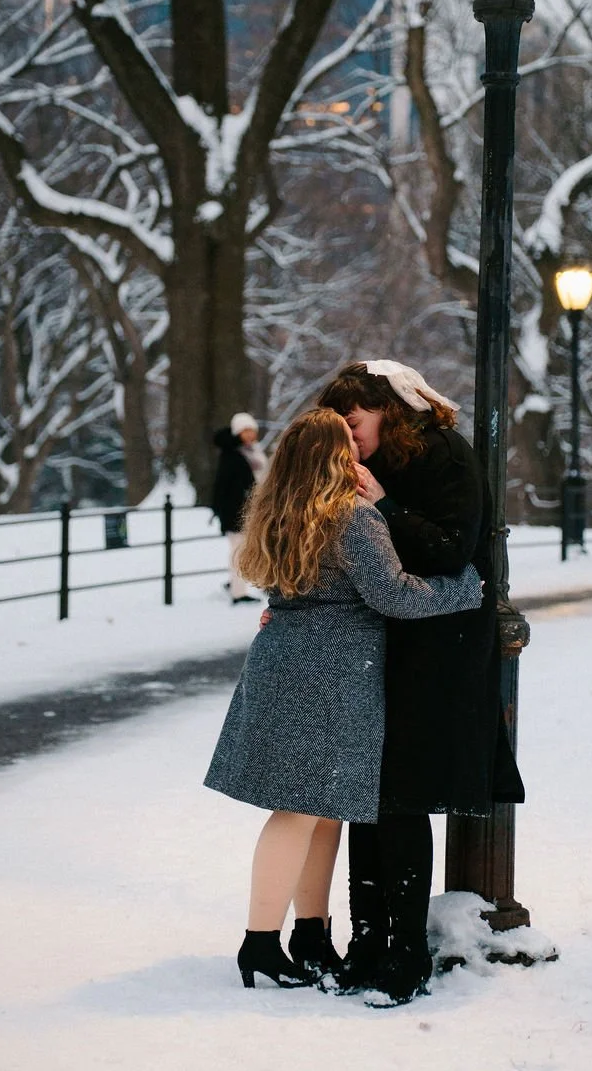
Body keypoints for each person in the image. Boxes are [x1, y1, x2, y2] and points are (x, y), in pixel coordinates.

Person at [203, 407, 483, 994]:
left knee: (321, 811)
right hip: (332, 671)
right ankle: (260, 943)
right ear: (336, 454)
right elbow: (393, 595)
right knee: (301, 810)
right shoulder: (350, 515)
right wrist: (464, 589)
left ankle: (310, 933)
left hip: (283, 656)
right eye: (348, 444)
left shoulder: (278, 509)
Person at [317, 360, 525, 1004]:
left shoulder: (443, 456)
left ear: (388, 410)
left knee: (401, 795)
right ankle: (367, 943)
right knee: (367, 798)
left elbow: (450, 550)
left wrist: (383, 505)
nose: (348, 440)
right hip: (385, 642)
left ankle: (405, 955)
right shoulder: (366, 464)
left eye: (354, 424)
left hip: (439, 644)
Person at [211, 412, 267, 603]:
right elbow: (225, 486)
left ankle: (236, 583)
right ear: (237, 432)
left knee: (248, 550)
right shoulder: (232, 455)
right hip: (236, 512)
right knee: (238, 551)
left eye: (252, 430)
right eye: (246, 431)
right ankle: (238, 591)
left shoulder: (252, 451)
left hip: (252, 511)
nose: (251, 434)